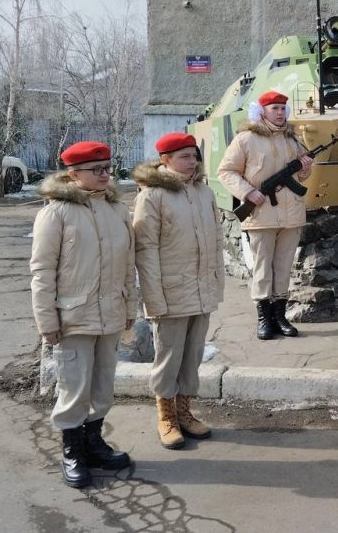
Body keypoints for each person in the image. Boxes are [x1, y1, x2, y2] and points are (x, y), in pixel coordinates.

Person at [29, 141, 136, 489]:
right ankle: (72, 450)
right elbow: (42, 271)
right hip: (73, 316)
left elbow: (128, 265)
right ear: (73, 173)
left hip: (111, 312)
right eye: (97, 169)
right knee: (74, 386)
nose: (106, 175)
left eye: (108, 167)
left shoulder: (117, 209)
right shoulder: (56, 212)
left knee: (103, 383)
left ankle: (93, 442)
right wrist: (47, 321)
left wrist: (130, 308)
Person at [133, 133, 225, 450]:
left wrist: (215, 283)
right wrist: (153, 299)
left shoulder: (204, 192)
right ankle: (166, 417)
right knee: (169, 356)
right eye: (184, 156)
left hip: (201, 289)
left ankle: (185, 412)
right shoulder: (153, 196)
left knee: (193, 354)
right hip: (171, 292)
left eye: (194, 155)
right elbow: (145, 251)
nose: (192, 161)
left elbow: (216, 242)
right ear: (165, 160)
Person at [217, 90, 313, 340]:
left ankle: (280, 317)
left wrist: (305, 169)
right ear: (263, 111)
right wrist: (248, 192)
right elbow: (226, 171)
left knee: (283, 267)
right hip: (261, 214)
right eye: (275, 109)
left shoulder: (293, 140)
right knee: (262, 268)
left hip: (291, 214)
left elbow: (302, 177)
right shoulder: (246, 139)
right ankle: (264, 319)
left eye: (283, 108)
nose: (280, 113)